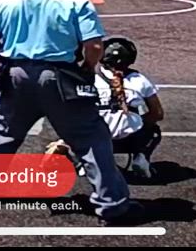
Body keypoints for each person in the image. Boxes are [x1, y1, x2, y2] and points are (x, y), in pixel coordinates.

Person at [0, 0, 141, 223]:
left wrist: (4, 61)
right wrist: (87, 68)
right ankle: (111, 204)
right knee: (90, 137)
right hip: (61, 76)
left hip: (16, 73)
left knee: (2, 130)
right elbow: (94, 45)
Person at [50, 37, 165, 180]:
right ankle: (141, 156)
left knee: (78, 125)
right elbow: (157, 113)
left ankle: (80, 160)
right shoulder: (140, 80)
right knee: (153, 131)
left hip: (97, 139)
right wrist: (136, 121)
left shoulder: (90, 79)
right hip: (129, 140)